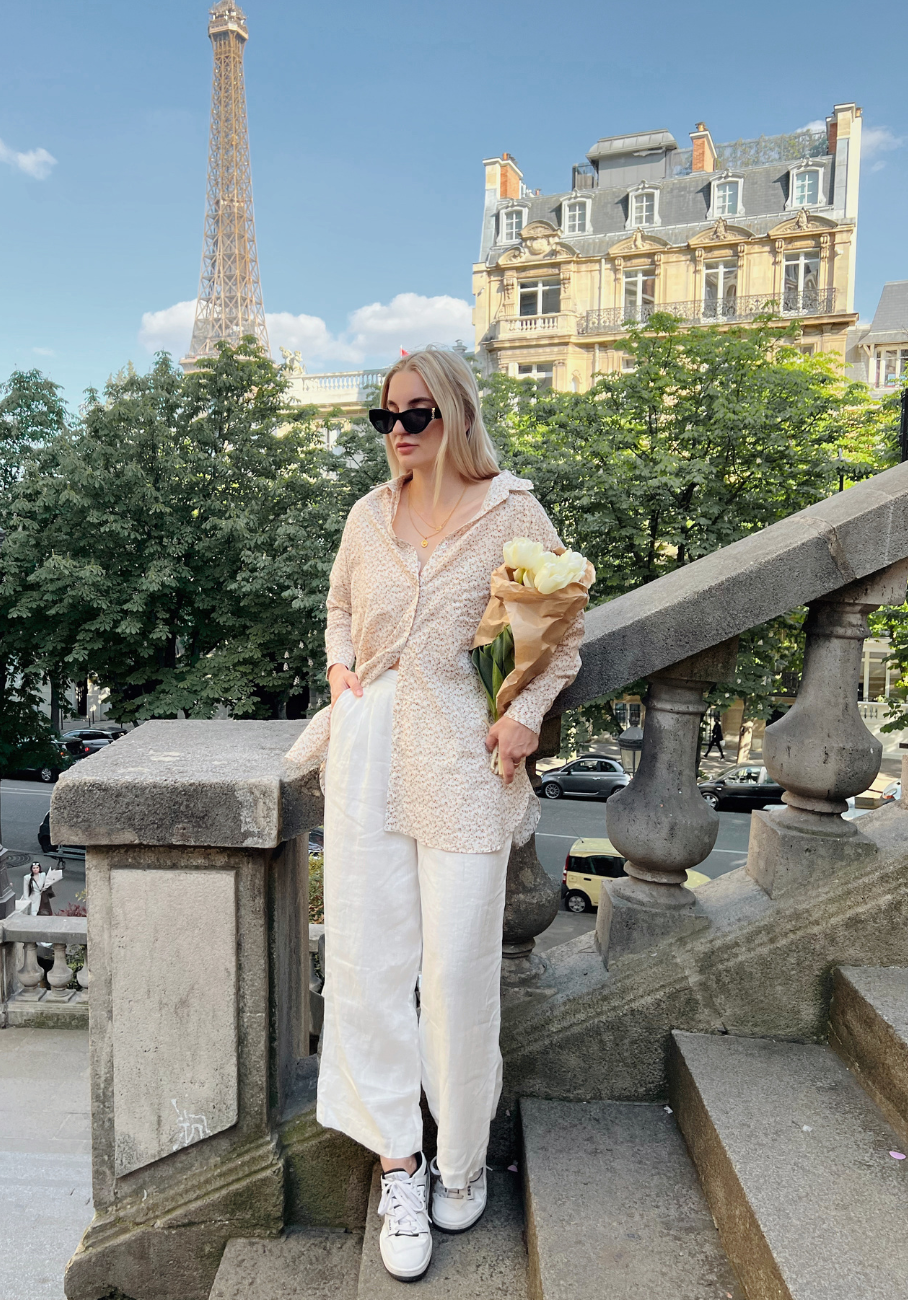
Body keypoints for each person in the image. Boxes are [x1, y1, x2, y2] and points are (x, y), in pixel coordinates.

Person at [286, 347, 584, 1283]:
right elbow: (339, 608)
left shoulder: (512, 511)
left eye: (417, 413)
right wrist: (341, 671)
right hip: (370, 751)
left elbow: (564, 633)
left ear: (456, 412)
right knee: (368, 964)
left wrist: (526, 714)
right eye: (387, 417)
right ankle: (399, 1165)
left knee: (456, 970)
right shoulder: (366, 515)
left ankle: (461, 1158)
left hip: (462, 757)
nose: (401, 431)